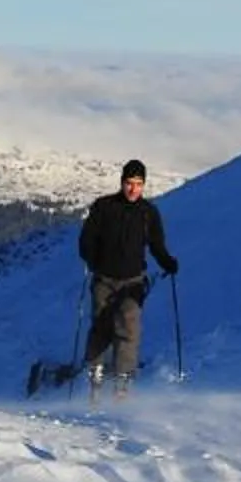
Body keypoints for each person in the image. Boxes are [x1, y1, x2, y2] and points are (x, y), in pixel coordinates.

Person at [78, 159, 178, 395]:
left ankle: (123, 381)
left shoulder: (148, 213)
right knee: (101, 327)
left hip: (133, 281)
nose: (134, 189)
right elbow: (86, 240)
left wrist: (168, 262)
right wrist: (92, 261)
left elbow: (156, 245)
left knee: (128, 328)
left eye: (139, 184)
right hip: (104, 279)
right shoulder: (104, 207)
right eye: (129, 183)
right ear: (122, 182)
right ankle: (94, 375)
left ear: (144, 185)